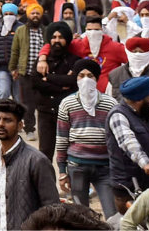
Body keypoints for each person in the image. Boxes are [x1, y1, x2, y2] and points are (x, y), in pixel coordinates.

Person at [0, 99, 57, 231]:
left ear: (20, 125)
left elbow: (52, 208)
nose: (0, 124)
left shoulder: (36, 161)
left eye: (7, 120)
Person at [53, 58, 117, 218]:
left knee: (113, 214)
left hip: (105, 167)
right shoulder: (67, 104)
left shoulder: (110, 104)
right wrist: (62, 171)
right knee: (80, 217)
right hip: (77, 166)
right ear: (76, 78)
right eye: (81, 75)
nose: (86, 79)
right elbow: (62, 138)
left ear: (97, 78)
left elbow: (116, 140)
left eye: (90, 75)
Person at [29, 22, 78, 161]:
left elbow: (72, 82)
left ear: (67, 40)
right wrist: (60, 86)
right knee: (45, 152)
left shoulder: (74, 61)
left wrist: (49, 78)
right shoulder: (41, 61)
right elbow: (35, 82)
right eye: (54, 37)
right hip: (45, 111)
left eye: (61, 37)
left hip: (66, 114)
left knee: (68, 152)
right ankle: (45, 182)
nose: (57, 40)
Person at [104, 76, 149, 196]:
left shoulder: (145, 114)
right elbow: (128, 142)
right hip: (130, 185)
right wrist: (146, 164)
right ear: (139, 100)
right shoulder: (118, 115)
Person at [10, 0, 47, 141]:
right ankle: (30, 129)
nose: (35, 15)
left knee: (43, 103)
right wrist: (13, 68)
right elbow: (15, 51)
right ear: (28, 15)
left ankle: (44, 129)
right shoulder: (21, 31)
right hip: (26, 73)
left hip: (43, 73)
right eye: (33, 13)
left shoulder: (46, 31)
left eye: (38, 13)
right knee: (28, 104)